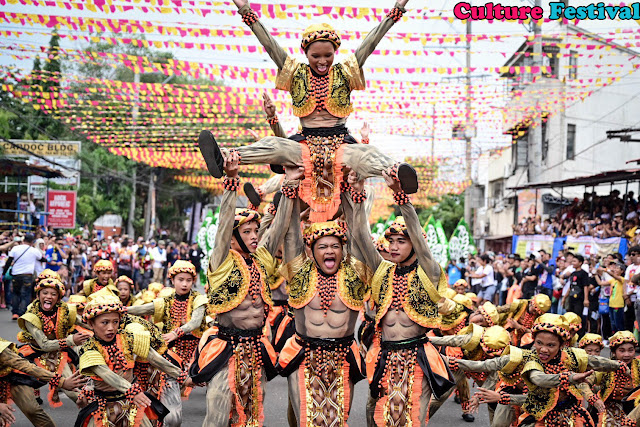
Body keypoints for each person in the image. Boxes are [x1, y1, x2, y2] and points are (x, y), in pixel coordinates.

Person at [199, 0, 418, 223]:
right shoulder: (295, 72)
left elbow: (370, 43)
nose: (322, 61)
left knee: (367, 153)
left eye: (328, 55)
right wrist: (245, 9)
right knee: (274, 145)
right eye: (316, 56)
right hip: (304, 145)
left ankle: (395, 170)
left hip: (340, 145)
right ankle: (223, 156)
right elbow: (269, 45)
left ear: (335, 52)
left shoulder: (345, 71)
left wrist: (396, 10)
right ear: (306, 54)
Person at [189, 151, 295, 426]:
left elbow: (279, 227)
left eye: (255, 231)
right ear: (234, 237)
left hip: (256, 347)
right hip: (227, 346)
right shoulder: (222, 260)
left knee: (251, 416)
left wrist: (290, 187)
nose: (254, 236)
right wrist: (231, 180)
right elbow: (224, 222)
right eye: (247, 232)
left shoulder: (260, 259)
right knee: (219, 413)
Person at [345, 170, 455, 426]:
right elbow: (361, 235)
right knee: (381, 417)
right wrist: (357, 195)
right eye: (391, 241)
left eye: (401, 242)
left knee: (411, 420)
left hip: (417, 355)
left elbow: (416, 232)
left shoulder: (429, 270)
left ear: (414, 245)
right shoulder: (382, 269)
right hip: (385, 355)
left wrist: (400, 196)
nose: (393, 247)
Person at [128, 260, 207, 427]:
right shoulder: (166, 301)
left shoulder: (199, 299)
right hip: (170, 357)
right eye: (180, 279)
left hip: (197, 357)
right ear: (172, 280)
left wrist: (176, 332)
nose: (184, 284)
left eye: (188, 280)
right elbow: (142, 309)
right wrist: (116, 309)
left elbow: (195, 322)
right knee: (173, 418)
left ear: (193, 281)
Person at [17, 275, 89, 408]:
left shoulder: (66, 310)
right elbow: (44, 344)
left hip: (58, 354)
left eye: (53, 294)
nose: (49, 296)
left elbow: (86, 323)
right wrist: (71, 340)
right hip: (37, 355)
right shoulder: (31, 316)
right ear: (38, 295)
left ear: (59, 298)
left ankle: (94, 415)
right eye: (45, 293)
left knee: (73, 393)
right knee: (26, 399)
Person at [0, 337, 86, 427]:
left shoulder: (3, 352)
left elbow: (25, 365)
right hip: (40, 350)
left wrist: (61, 382)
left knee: (31, 409)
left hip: (14, 376)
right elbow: (44, 343)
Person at [2, 233, 43, 320]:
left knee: (16, 293)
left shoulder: (16, 248)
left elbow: (9, 261)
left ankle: (15, 313)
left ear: (23, 240)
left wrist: (4, 273)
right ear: (32, 242)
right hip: (27, 275)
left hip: (16, 275)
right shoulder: (34, 250)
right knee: (25, 294)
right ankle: (22, 313)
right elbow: (41, 258)